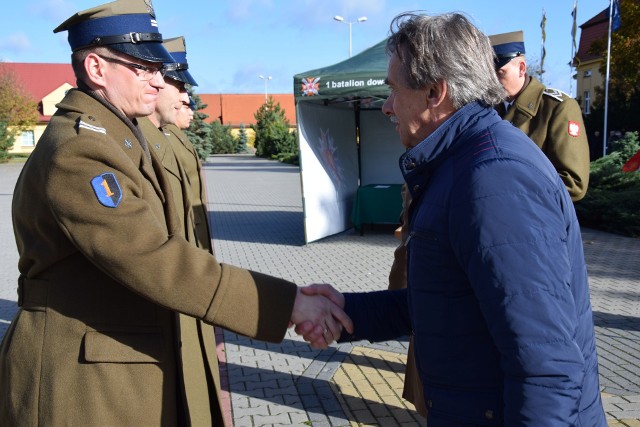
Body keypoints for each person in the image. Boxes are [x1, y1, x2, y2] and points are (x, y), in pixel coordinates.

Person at [0, 1, 350, 425]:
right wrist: (287, 303)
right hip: (80, 378)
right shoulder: (80, 149)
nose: (156, 79)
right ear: (95, 68)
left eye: (158, 68)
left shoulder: (118, 134)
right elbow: (152, 258)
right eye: (142, 67)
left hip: (116, 361)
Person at [300, 12, 606, 426]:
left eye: (392, 90)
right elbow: (449, 299)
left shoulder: (494, 180)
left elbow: (546, 366)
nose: (386, 107)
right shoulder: (463, 162)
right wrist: (347, 312)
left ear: (434, 92)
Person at [490, 30, 590, 201]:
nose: (493, 81)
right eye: (489, 74)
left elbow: (573, 183)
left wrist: (506, 190)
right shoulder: (489, 108)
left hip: (533, 218)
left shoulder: (557, 107)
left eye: (500, 73)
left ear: (521, 69)